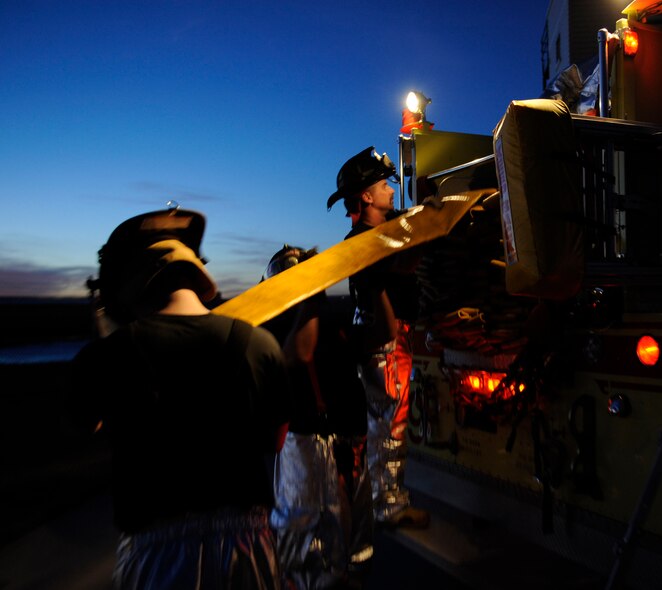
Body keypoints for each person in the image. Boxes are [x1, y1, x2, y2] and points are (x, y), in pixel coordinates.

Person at [67, 207, 292, 589]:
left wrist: (107, 340)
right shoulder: (259, 343)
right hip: (250, 544)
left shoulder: (106, 356)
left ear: (133, 285)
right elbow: (276, 440)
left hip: (157, 552)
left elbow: (90, 424)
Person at [327, 146, 429, 529]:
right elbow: (404, 265)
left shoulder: (372, 236)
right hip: (386, 346)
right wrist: (425, 230)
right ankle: (390, 506)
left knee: (384, 426)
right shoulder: (367, 241)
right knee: (390, 427)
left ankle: (382, 500)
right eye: (383, 185)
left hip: (383, 343)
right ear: (366, 197)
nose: (391, 190)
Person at [260, 245, 374, 590]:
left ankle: (353, 576)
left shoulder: (333, 319)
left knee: (356, 536)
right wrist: (310, 288)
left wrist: (376, 284)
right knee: (310, 542)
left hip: (348, 443)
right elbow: (301, 350)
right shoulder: (274, 329)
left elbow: (382, 333)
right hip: (307, 445)